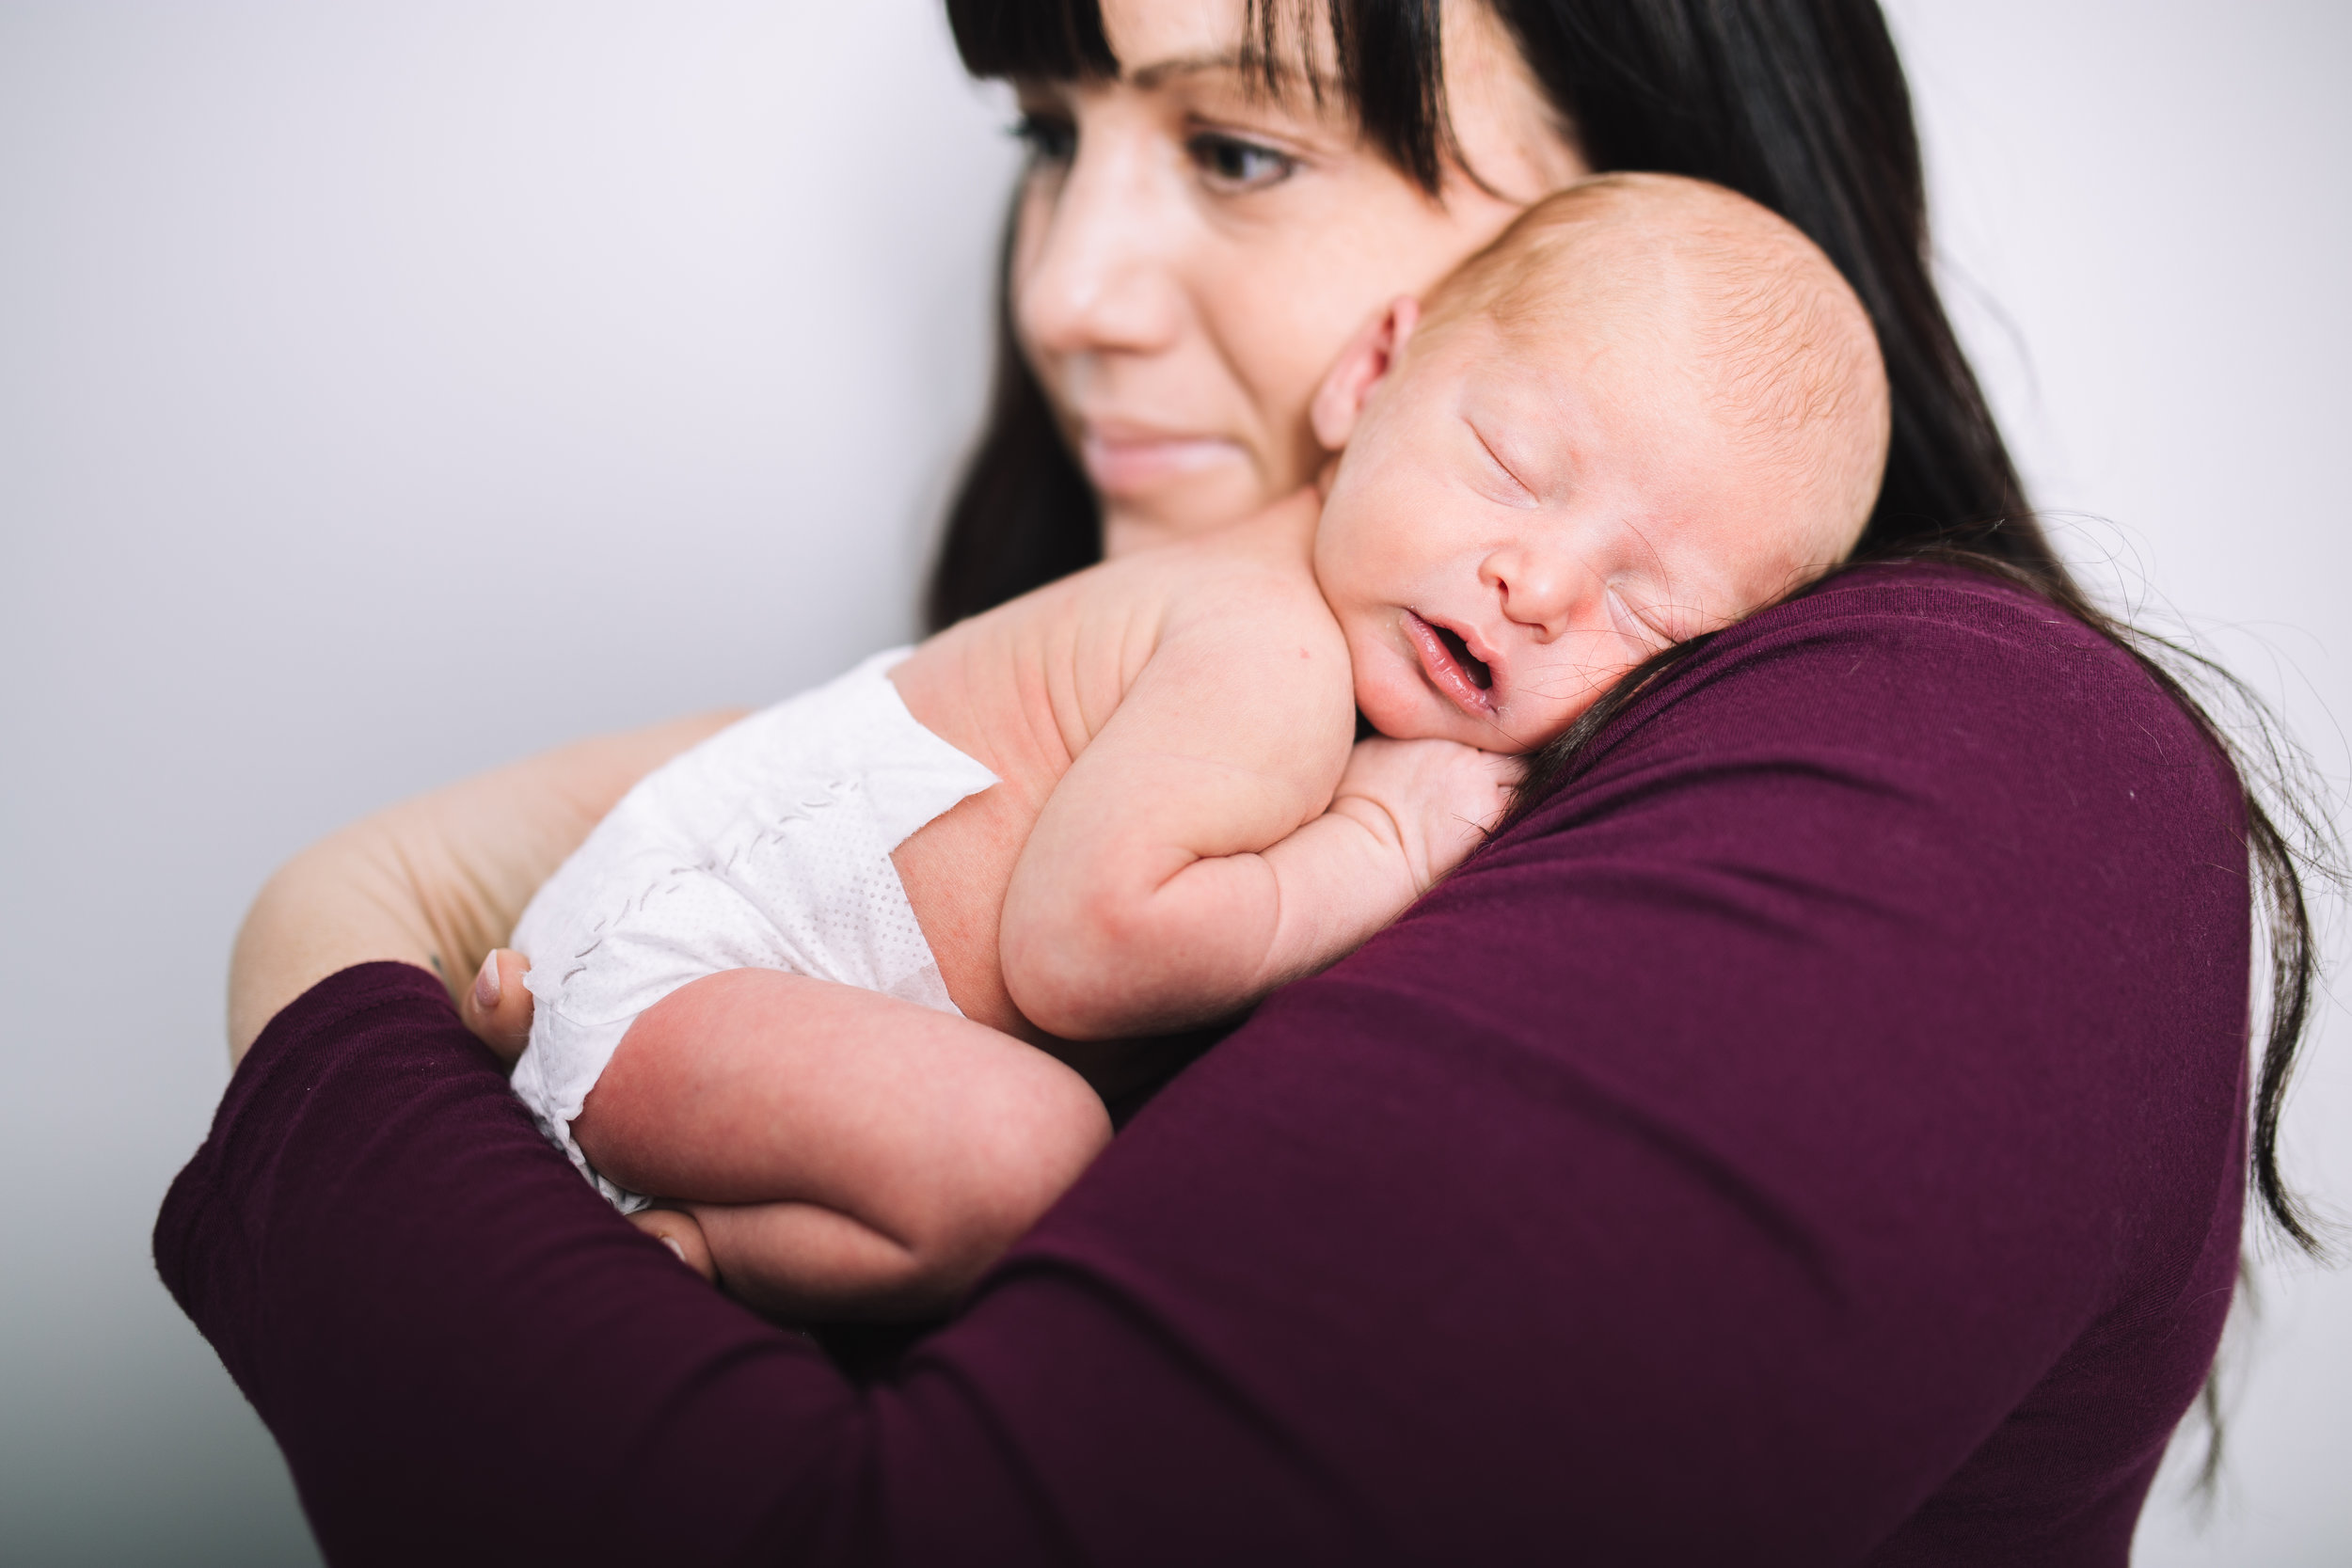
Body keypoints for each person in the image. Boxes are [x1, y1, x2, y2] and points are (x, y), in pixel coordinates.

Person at [161, 2, 2326, 1562]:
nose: (1069, 296)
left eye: (1240, 147)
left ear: (1664, 167)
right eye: (1048, 139)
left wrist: (334, 994)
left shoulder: (1961, 756)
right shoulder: (1219, 685)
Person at [499, 174, 1890, 1321]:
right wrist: (1379, 844)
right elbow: (1082, 947)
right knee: (1021, 1159)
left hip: (683, 973)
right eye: (1515, 469)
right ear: (1373, 374)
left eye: (1649, 610)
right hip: (683, 973)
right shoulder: (1267, 650)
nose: (1541, 587)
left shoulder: (1317, 619)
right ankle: (696, 1250)